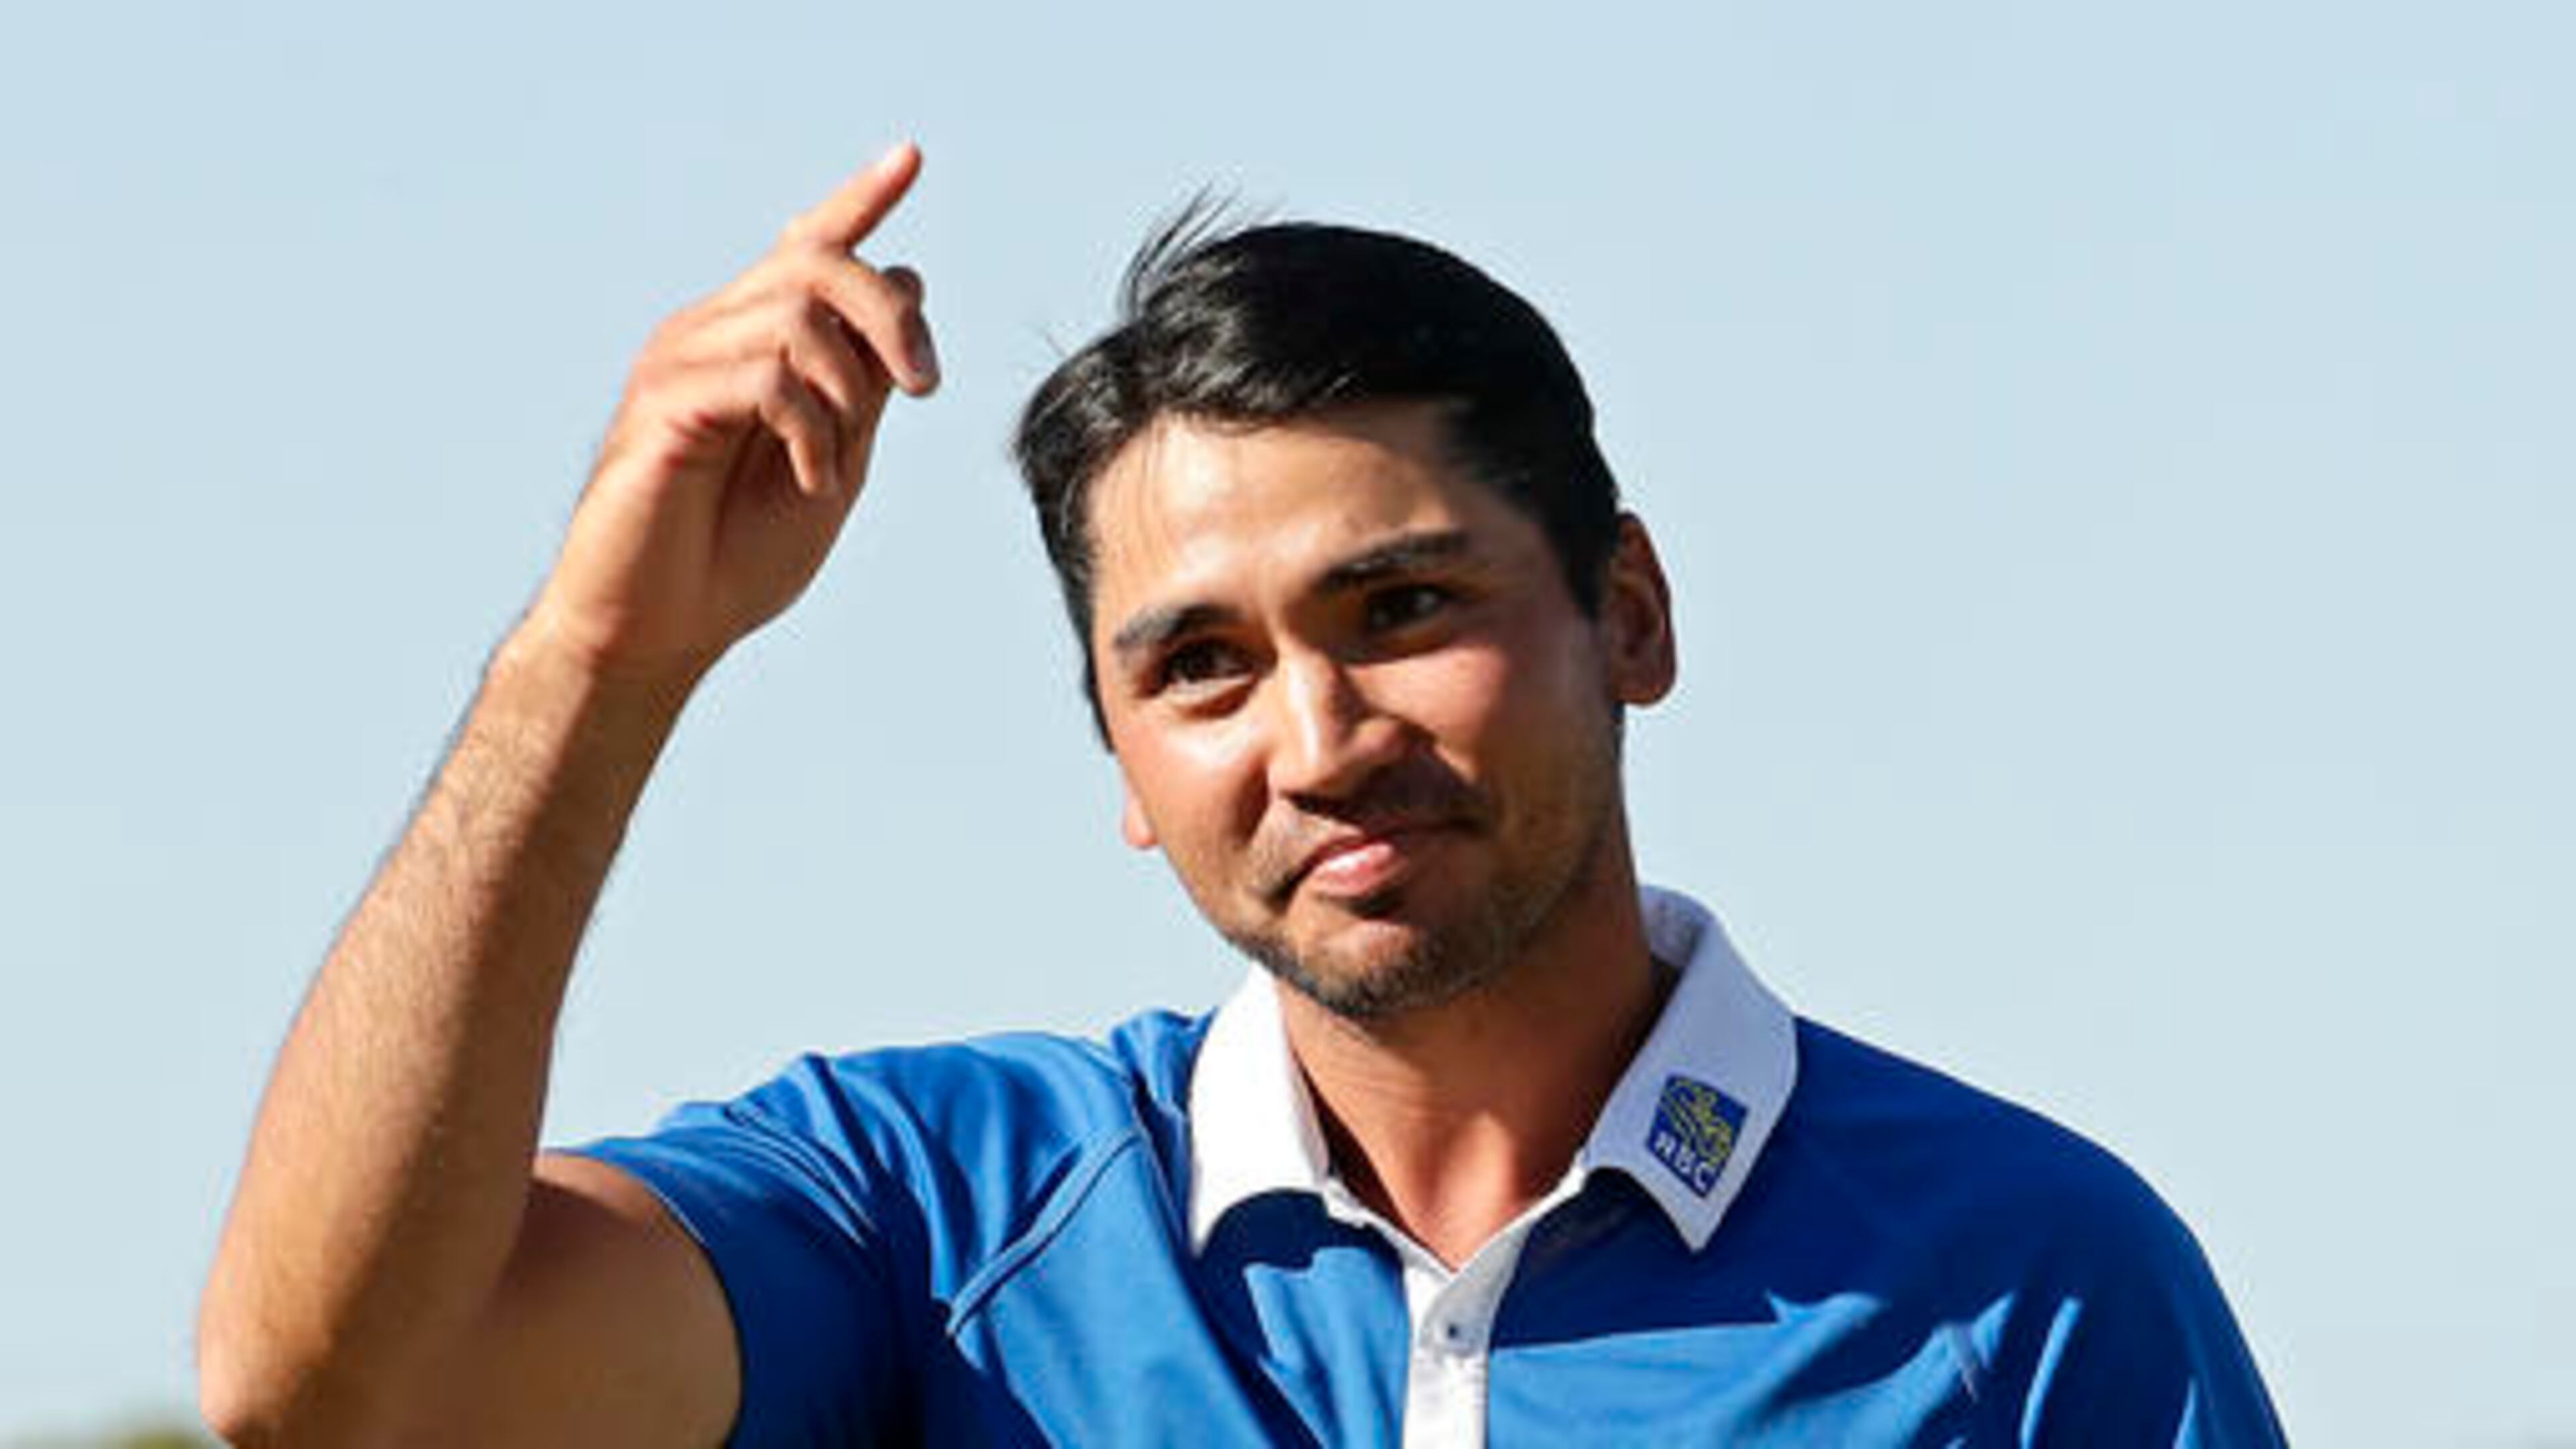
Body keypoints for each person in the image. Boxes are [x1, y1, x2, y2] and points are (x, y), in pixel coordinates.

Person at [197, 144, 2284, 1446]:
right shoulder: (932, 1216)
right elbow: (337, 1391)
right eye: (1199, 666)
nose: (1316, 736)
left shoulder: (2034, 1278)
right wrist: (598, 659)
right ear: (1119, 764)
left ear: (1627, 613)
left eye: (1401, 605)